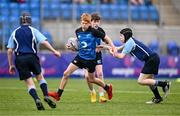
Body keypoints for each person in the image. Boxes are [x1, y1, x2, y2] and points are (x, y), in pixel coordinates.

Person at [48, 13, 117, 102]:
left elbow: (107, 38)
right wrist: (72, 47)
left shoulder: (93, 31)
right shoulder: (78, 31)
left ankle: (107, 88)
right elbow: (79, 45)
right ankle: (58, 94)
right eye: (82, 23)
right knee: (66, 73)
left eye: (86, 23)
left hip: (91, 60)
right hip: (80, 57)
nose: (83, 25)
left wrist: (113, 47)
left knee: (91, 79)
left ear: (89, 24)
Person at [99, 28, 171, 104]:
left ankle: (164, 84)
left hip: (151, 60)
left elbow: (120, 56)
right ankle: (158, 98)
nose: (120, 37)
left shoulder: (129, 43)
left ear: (126, 36)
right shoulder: (129, 41)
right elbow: (117, 48)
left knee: (141, 81)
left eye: (121, 36)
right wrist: (105, 47)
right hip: (152, 59)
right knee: (150, 81)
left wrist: (113, 53)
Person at [7, 12, 61, 110]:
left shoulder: (14, 32)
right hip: (32, 57)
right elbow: (44, 41)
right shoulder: (33, 30)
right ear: (30, 20)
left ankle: (36, 99)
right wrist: (54, 51)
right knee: (40, 77)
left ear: (20, 21)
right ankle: (46, 95)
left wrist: (11, 65)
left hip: (20, 59)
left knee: (29, 83)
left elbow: (10, 50)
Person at [84, 13, 107, 103]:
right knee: (87, 76)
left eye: (98, 21)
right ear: (91, 22)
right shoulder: (86, 30)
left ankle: (101, 96)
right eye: (94, 21)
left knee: (100, 73)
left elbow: (106, 41)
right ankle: (92, 92)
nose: (96, 23)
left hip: (97, 55)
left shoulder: (101, 30)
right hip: (87, 55)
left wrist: (100, 46)